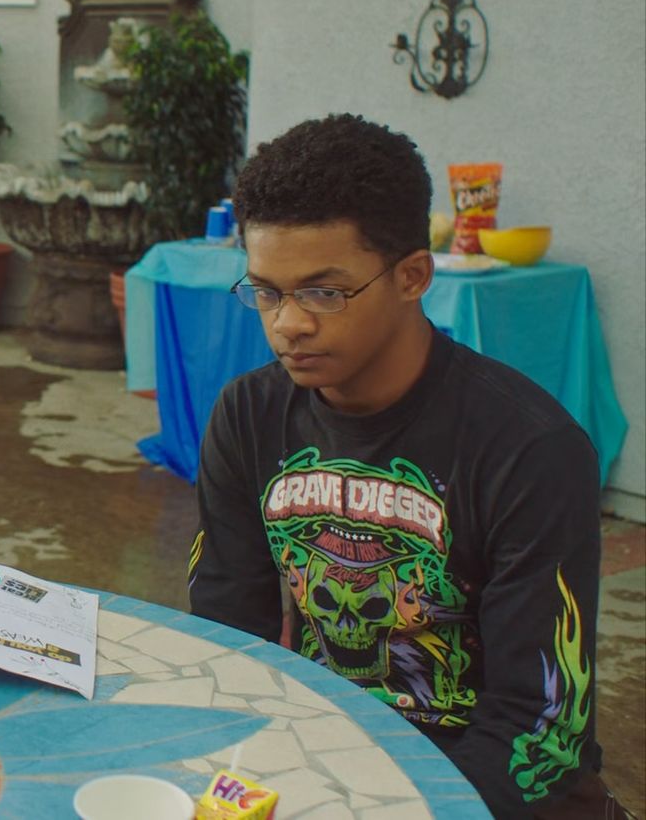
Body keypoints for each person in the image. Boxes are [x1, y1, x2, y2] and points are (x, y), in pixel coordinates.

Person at [187, 114, 613, 818]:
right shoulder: (249, 416)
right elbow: (230, 644)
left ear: (413, 276)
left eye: (324, 291)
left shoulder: (528, 449)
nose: (287, 323)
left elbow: (540, 727)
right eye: (265, 290)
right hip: (320, 764)